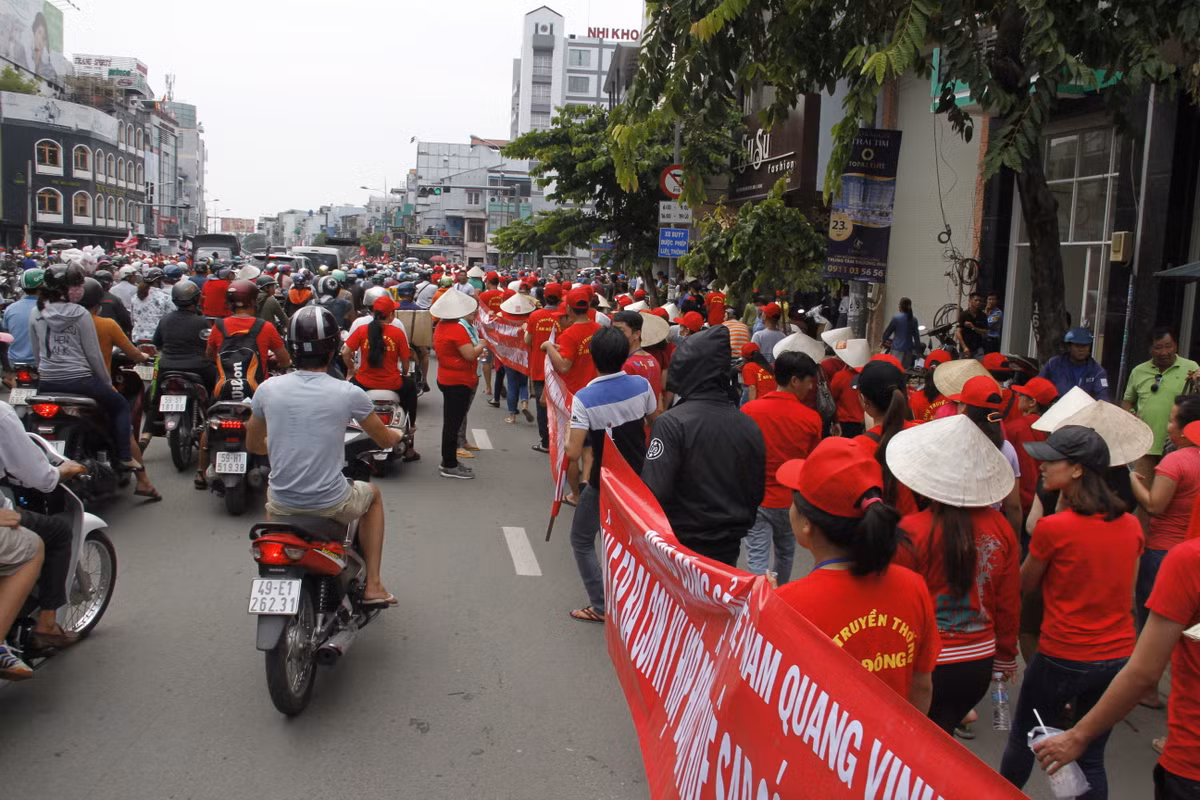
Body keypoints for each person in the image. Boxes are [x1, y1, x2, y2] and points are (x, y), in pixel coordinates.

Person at [999, 426, 1144, 797]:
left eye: (1052, 460)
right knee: (1090, 755)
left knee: (1024, 740)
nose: (1042, 466)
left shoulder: (1053, 529)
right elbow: (1127, 593)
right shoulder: (1131, 526)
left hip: (1062, 655)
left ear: (1077, 470)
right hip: (1116, 659)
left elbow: (1023, 586)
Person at [248, 306, 401, 607]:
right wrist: (396, 436)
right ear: (332, 348)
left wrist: (280, 444)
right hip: (331, 502)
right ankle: (373, 584)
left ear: (291, 348)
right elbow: (383, 438)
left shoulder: (267, 390)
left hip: (282, 504)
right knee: (373, 495)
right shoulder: (348, 393)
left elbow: (254, 445)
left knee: (273, 494)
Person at [775, 436, 940, 710]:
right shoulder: (913, 587)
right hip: (888, 747)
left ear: (806, 523)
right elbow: (921, 685)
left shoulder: (787, 604)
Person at [888, 416, 1020, 735]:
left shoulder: (910, 532)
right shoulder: (1000, 528)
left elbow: (895, 605)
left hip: (925, 664)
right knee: (941, 737)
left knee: (916, 744)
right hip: (978, 663)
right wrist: (1005, 656)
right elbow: (1008, 601)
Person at [641, 325, 765, 566]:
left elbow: (653, 492)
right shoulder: (748, 425)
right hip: (728, 549)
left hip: (680, 549)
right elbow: (756, 490)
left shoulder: (671, 423)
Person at [564, 327, 657, 623]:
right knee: (627, 541)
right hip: (639, 478)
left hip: (603, 482)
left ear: (593, 358)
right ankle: (636, 596)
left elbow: (574, 453)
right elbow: (656, 421)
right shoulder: (642, 385)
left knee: (581, 539)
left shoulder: (584, 397)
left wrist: (569, 429)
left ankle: (601, 604)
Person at [0, 399, 89, 666]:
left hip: (52, 393)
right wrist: (66, 469)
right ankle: (47, 625)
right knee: (51, 536)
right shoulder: (3, 415)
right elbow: (41, 478)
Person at [31, 265, 141, 472]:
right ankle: (125, 457)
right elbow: (93, 356)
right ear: (68, 289)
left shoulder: (36, 312)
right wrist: (106, 384)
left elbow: (37, 352)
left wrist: (46, 372)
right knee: (119, 406)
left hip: (47, 382)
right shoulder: (80, 313)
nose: (79, 288)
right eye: (76, 284)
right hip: (81, 382)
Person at [740, 351, 821, 584]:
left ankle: (756, 603)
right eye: (809, 382)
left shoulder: (749, 411)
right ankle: (780, 597)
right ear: (795, 381)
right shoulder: (811, 419)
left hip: (756, 497)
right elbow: (811, 461)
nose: (810, 388)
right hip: (790, 501)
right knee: (786, 553)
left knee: (756, 557)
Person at [1130, 396, 1200, 639]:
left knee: (1151, 627)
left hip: (1163, 552)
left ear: (1186, 428)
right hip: (1193, 551)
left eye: (1171, 421)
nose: (1167, 427)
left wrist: (1132, 481)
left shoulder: (1176, 461)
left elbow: (1154, 506)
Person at [342, 295, 420, 462]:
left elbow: (345, 352)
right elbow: (406, 362)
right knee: (411, 390)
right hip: (393, 384)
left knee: (345, 401)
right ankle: (411, 429)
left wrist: (351, 368)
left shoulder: (362, 330)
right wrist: (405, 374)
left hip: (364, 383)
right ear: (391, 315)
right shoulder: (397, 332)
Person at [1124, 327, 1200, 471]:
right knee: (1143, 490)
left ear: (1176, 346)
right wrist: (1132, 418)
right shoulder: (1138, 371)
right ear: (1150, 349)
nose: (1164, 352)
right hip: (1145, 445)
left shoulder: (1191, 367)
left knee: (1170, 490)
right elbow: (1127, 401)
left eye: (1168, 346)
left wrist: (1198, 381)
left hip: (1177, 446)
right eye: (1158, 347)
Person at [855, 358, 921, 515]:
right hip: (922, 533)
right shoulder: (923, 432)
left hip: (881, 532)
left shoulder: (858, 448)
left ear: (864, 402)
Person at [432, 290, 483, 479]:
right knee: (453, 424)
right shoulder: (456, 329)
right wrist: (481, 346)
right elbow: (470, 354)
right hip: (457, 382)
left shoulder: (442, 325)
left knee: (451, 423)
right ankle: (449, 464)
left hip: (448, 378)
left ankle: (449, 460)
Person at [1006, 376, 1059, 518]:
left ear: (1032, 402)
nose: (1018, 397)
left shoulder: (1013, 429)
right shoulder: (1055, 428)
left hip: (1018, 502)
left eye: (1022, 395)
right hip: (1045, 503)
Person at [525, 282, 562, 453]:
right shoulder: (563, 317)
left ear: (544, 296)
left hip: (539, 367)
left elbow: (528, 340)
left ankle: (546, 441)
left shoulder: (535, 316)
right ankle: (559, 440)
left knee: (541, 405)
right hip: (560, 367)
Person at [611, 310, 664, 415]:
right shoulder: (652, 360)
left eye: (620, 331)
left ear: (636, 334)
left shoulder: (628, 366)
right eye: (613, 331)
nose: (614, 336)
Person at [1039, 327, 1110, 401]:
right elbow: (1037, 385)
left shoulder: (1097, 371)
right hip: (1056, 408)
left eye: (1085, 346)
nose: (1081, 350)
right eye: (1077, 346)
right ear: (1069, 346)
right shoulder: (1054, 364)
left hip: (1084, 410)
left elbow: (1103, 399)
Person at [497, 293, 535, 425]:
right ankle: (524, 404)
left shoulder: (502, 316)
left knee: (512, 385)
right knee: (523, 383)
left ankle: (512, 416)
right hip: (524, 355)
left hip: (509, 356)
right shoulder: (530, 318)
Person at [3, 268, 42, 368]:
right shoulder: (49, 308)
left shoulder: (10, 309)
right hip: (41, 361)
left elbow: (7, 333)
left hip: (15, 360)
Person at [129, 268, 174, 343]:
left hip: (137, 338)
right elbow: (171, 320)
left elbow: (132, 320)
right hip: (157, 339)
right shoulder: (165, 298)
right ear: (157, 281)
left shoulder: (135, 297)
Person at [881, 297, 920, 367]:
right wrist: (918, 352)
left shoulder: (896, 318)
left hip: (897, 349)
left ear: (900, 306)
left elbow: (888, 332)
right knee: (904, 372)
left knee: (895, 369)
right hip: (908, 350)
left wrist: (883, 341)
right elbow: (916, 337)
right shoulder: (914, 320)